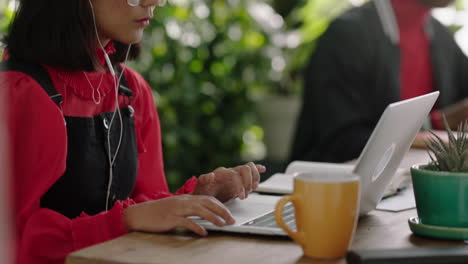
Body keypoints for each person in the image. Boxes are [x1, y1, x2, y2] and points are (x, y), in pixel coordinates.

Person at [0, 0, 266, 263]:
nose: (153, 2)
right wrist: (126, 220)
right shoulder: (17, 93)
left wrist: (199, 196)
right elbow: (15, 238)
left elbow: (146, 206)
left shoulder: (131, 90)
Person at [290, 0, 468, 163]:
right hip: (333, 186)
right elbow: (342, 140)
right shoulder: (348, 35)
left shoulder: (439, 36)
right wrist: (440, 124)